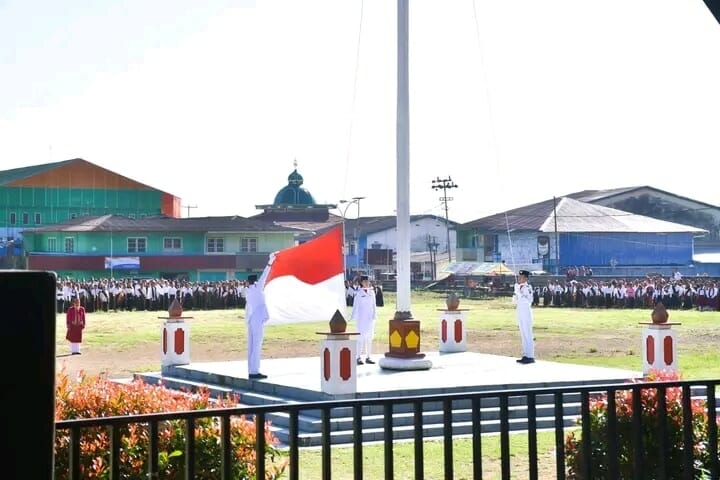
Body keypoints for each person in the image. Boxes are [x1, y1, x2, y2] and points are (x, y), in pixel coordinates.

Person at [245, 273, 269, 379]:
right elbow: (265, 275)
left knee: (251, 346)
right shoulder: (257, 288)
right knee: (256, 346)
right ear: (255, 281)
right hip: (257, 318)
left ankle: (251, 370)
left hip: (250, 319)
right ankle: (254, 371)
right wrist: (271, 262)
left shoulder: (248, 291)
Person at [351, 275, 377, 365]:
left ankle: (368, 357)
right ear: (361, 283)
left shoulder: (372, 292)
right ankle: (358, 357)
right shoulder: (358, 293)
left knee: (369, 338)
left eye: (368, 281)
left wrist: (374, 316)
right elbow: (355, 306)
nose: (367, 283)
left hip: (370, 318)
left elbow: (374, 305)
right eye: (365, 282)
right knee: (360, 338)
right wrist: (352, 317)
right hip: (361, 318)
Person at [513, 270, 535, 364]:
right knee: (523, 333)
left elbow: (529, 300)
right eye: (518, 276)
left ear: (525, 278)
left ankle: (530, 356)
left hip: (526, 311)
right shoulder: (519, 287)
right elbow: (515, 301)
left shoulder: (527, 287)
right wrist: (515, 294)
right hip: (520, 311)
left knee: (528, 333)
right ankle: (526, 354)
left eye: (521, 277)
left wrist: (519, 293)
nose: (519, 278)